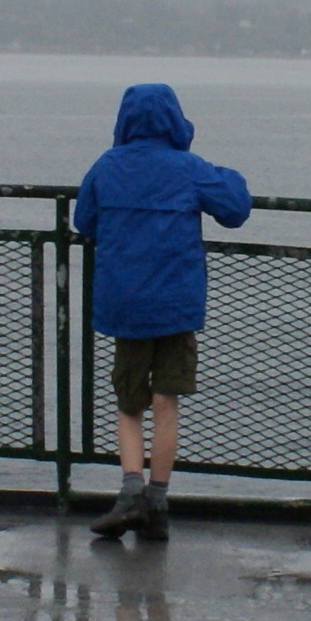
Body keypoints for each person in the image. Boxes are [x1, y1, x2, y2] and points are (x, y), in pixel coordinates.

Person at [73, 83, 252, 541]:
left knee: (129, 403)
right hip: (175, 304)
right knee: (166, 402)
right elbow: (234, 210)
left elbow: (84, 221)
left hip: (125, 303)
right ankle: (157, 500)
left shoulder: (107, 166)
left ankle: (129, 492)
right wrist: (224, 172)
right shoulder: (189, 169)